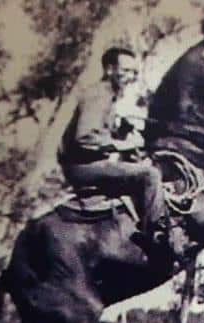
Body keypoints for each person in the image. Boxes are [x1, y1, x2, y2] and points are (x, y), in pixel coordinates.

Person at [58, 47, 168, 248]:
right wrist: (123, 144)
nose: (130, 77)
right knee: (149, 175)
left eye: (133, 73)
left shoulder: (108, 98)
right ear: (110, 70)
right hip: (82, 168)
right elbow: (85, 138)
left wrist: (120, 131)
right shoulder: (99, 94)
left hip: (87, 164)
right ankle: (158, 237)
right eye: (125, 71)